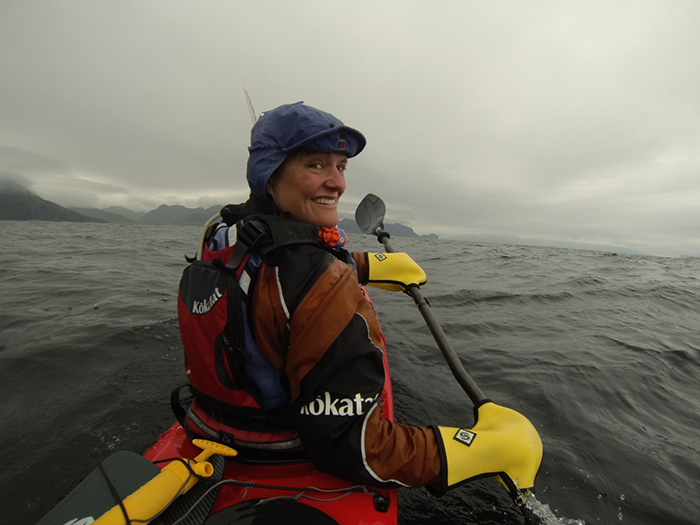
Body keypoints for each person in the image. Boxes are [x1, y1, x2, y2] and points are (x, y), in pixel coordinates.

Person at [177, 102, 540, 493]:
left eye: (341, 166)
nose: (338, 183)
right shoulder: (324, 283)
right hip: (283, 450)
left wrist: (361, 264)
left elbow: (274, 275)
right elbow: (352, 444)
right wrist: (474, 450)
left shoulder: (224, 231)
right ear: (269, 177)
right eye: (316, 165)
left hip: (210, 425)